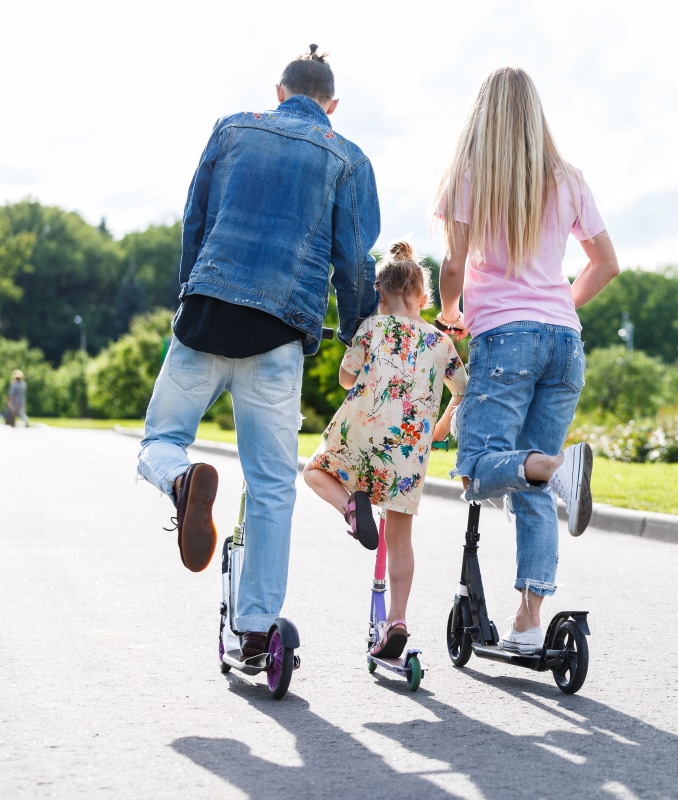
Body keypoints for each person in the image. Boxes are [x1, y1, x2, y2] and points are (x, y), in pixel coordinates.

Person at [137, 45, 381, 659]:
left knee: (160, 440)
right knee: (273, 484)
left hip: (206, 314)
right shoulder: (348, 158)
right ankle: (254, 628)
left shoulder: (231, 129)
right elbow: (354, 261)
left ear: (279, 93)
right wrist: (357, 333)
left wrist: (192, 291)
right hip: (277, 332)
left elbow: (195, 219)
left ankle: (181, 477)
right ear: (332, 105)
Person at [435, 66, 621, 655]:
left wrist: (447, 312)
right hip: (564, 343)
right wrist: (555, 307)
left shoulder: (470, 176)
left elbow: (454, 265)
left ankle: (562, 468)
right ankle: (528, 622)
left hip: (505, 341)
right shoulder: (568, 179)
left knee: (475, 466)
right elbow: (605, 264)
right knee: (530, 473)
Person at [303, 241, 466, 657]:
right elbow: (465, 391)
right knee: (400, 536)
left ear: (379, 294)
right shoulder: (440, 343)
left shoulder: (371, 330)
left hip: (360, 435)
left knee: (314, 472)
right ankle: (397, 618)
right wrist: (441, 426)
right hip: (408, 450)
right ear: (424, 297)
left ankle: (350, 508)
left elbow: (345, 378)